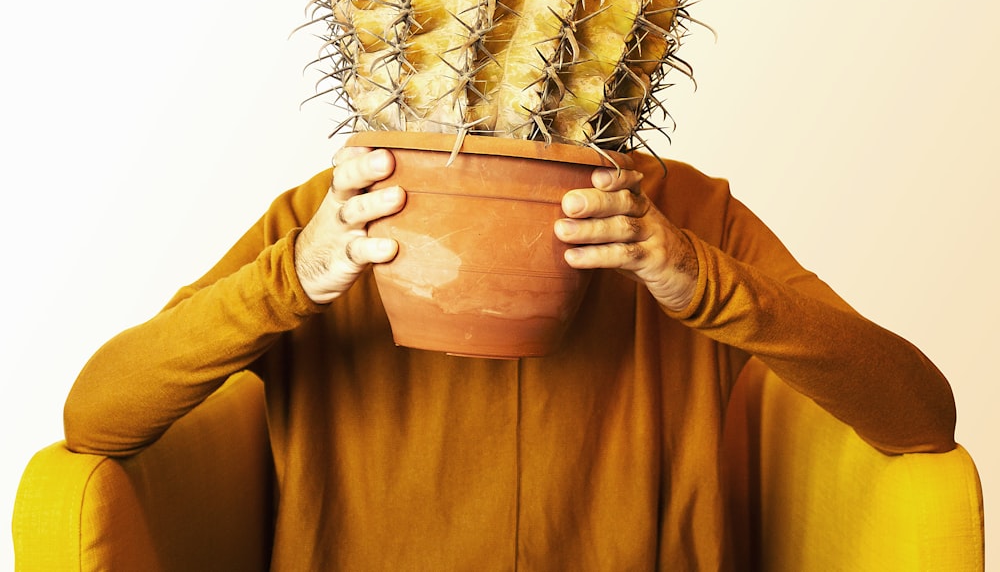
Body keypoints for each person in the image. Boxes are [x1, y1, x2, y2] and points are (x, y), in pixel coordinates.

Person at [64, 140, 956, 570]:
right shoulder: (337, 213)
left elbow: (919, 418)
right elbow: (97, 417)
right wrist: (291, 277)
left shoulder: (683, 213)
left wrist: (696, 277)